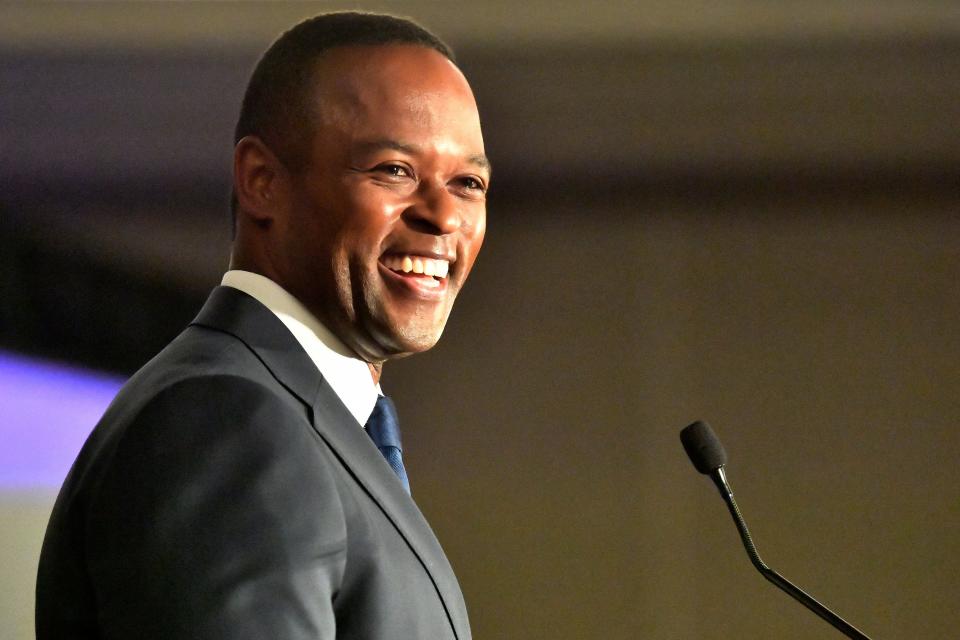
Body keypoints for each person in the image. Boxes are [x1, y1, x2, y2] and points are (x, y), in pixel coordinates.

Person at [36, 11, 489, 640]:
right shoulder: (222, 418)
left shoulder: (297, 420)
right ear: (262, 181)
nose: (443, 215)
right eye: (392, 170)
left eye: (468, 182)